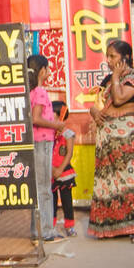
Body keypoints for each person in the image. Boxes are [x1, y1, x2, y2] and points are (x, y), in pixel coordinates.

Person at [88, 39, 134, 242]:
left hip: (128, 144)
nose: (108, 60)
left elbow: (121, 97)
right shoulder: (107, 80)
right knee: (109, 185)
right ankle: (111, 227)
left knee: (131, 185)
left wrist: (115, 77)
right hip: (108, 144)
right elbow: (96, 104)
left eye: (113, 56)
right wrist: (94, 112)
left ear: (126, 58)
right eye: (108, 56)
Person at [28, 53, 72, 242]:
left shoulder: (29, 91)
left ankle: (37, 230)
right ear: (43, 70)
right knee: (44, 189)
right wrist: (57, 125)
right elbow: (36, 118)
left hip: (36, 142)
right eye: (47, 69)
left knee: (38, 189)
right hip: (42, 143)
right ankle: (46, 231)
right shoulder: (40, 92)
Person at [50, 101, 77, 237]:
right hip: (50, 171)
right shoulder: (48, 133)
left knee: (67, 201)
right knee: (51, 201)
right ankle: (51, 226)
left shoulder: (68, 134)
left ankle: (69, 226)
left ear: (60, 116)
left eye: (52, 114)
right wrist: (51, 169)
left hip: (64, 171)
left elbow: (69, 153)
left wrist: (60, 169)